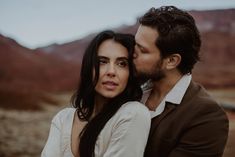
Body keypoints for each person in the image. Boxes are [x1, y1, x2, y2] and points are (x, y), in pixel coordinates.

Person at [133, 6, 229, 157]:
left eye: (142, 50)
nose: (132, 53)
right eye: (134, 44)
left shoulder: (206, 117)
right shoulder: (130, 91)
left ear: (171, 61)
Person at [41, 30, 151, 157]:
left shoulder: (133, 113)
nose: (111, 72)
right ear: (89, 67)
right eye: (102, 62)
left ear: (131, 72)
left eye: (122, 64)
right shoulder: (63, 119)